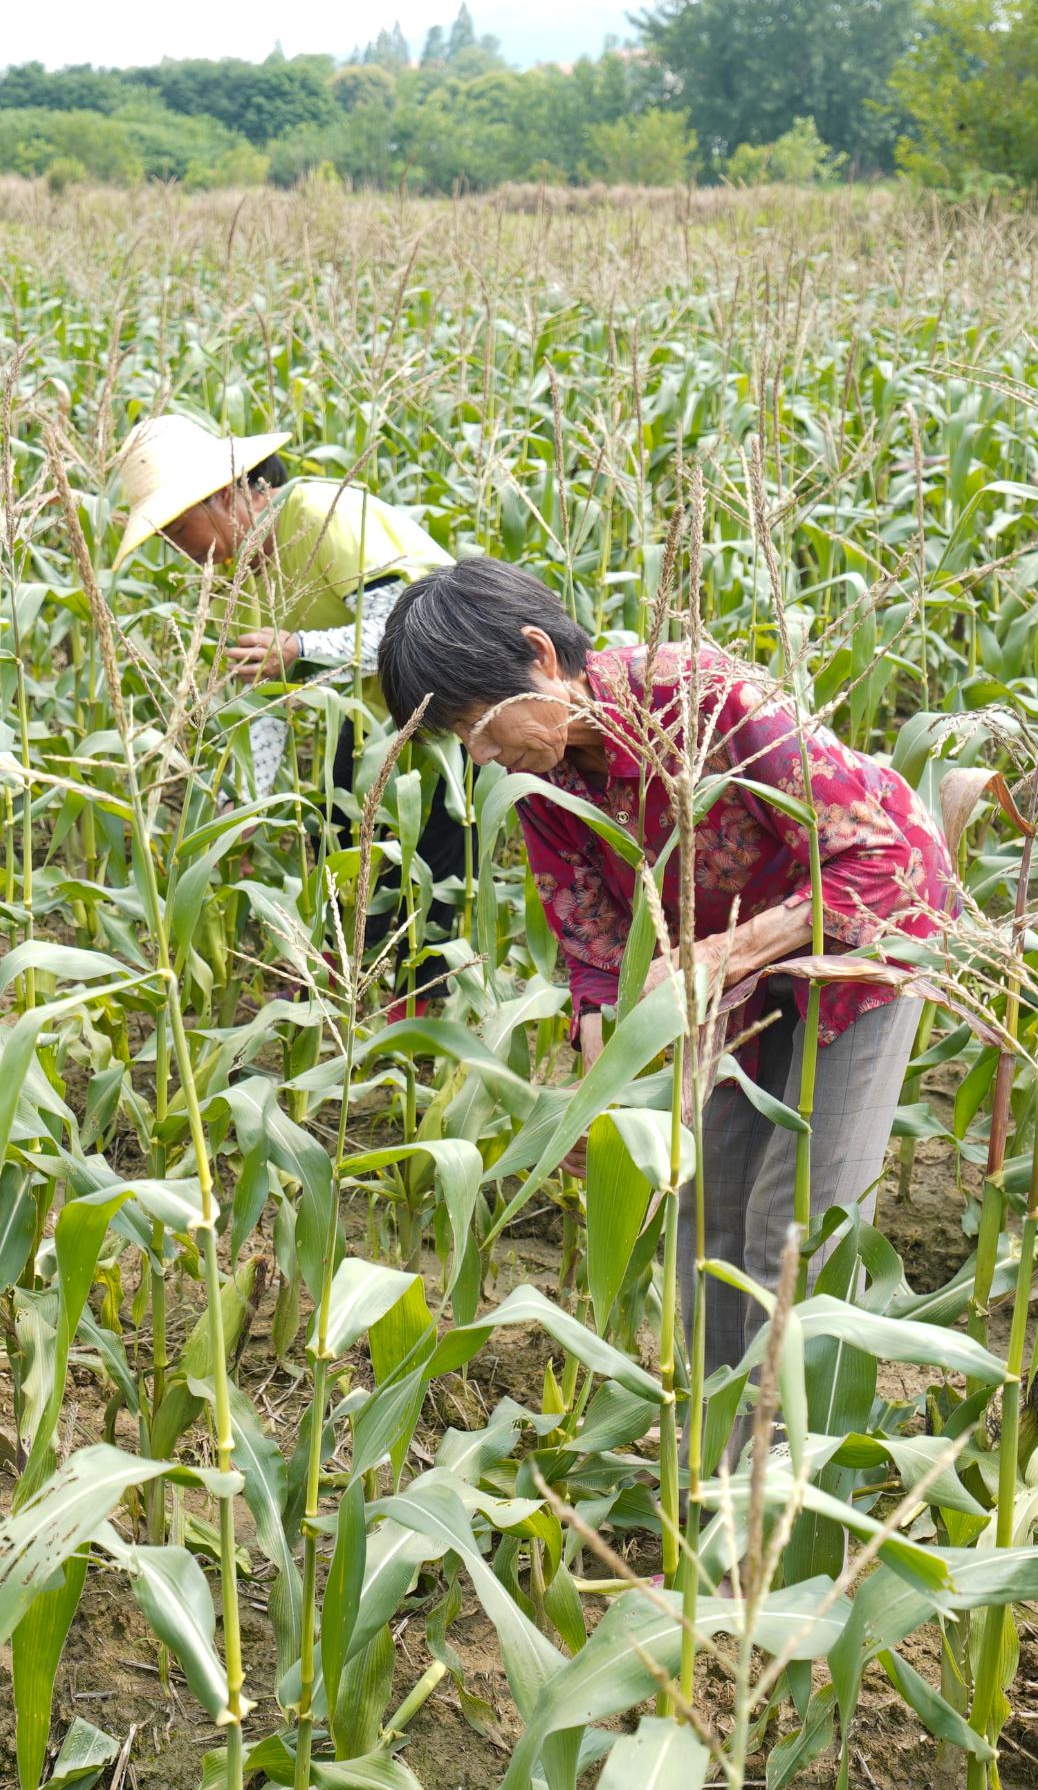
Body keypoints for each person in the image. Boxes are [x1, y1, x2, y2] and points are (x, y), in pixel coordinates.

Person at [376, 557, 956, 1375]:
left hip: (864, 942)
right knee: (703, 1214)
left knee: (791, 1229)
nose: (479, 757)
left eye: (478, 725)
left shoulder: (703, 700)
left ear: (540, 655)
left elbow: (883, 859)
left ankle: (786, 1469)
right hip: (720, 973)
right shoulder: (542, 784)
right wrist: (600, 1102)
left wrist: (720, 954)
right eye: (458, 741)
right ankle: (720, 1461)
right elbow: (594, 952)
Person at [109, 411, 466, 1003]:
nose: (179, 551)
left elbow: (414, 629)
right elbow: (265, 705)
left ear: (220, 497)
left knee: (433, 861)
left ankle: (419, 1008)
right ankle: (340, 979)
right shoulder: (239, 573)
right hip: (371, 725)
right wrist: (241, 805)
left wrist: (300, 647)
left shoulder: (324, 515)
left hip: (450, 712)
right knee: (337, 839)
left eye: (176, 531)